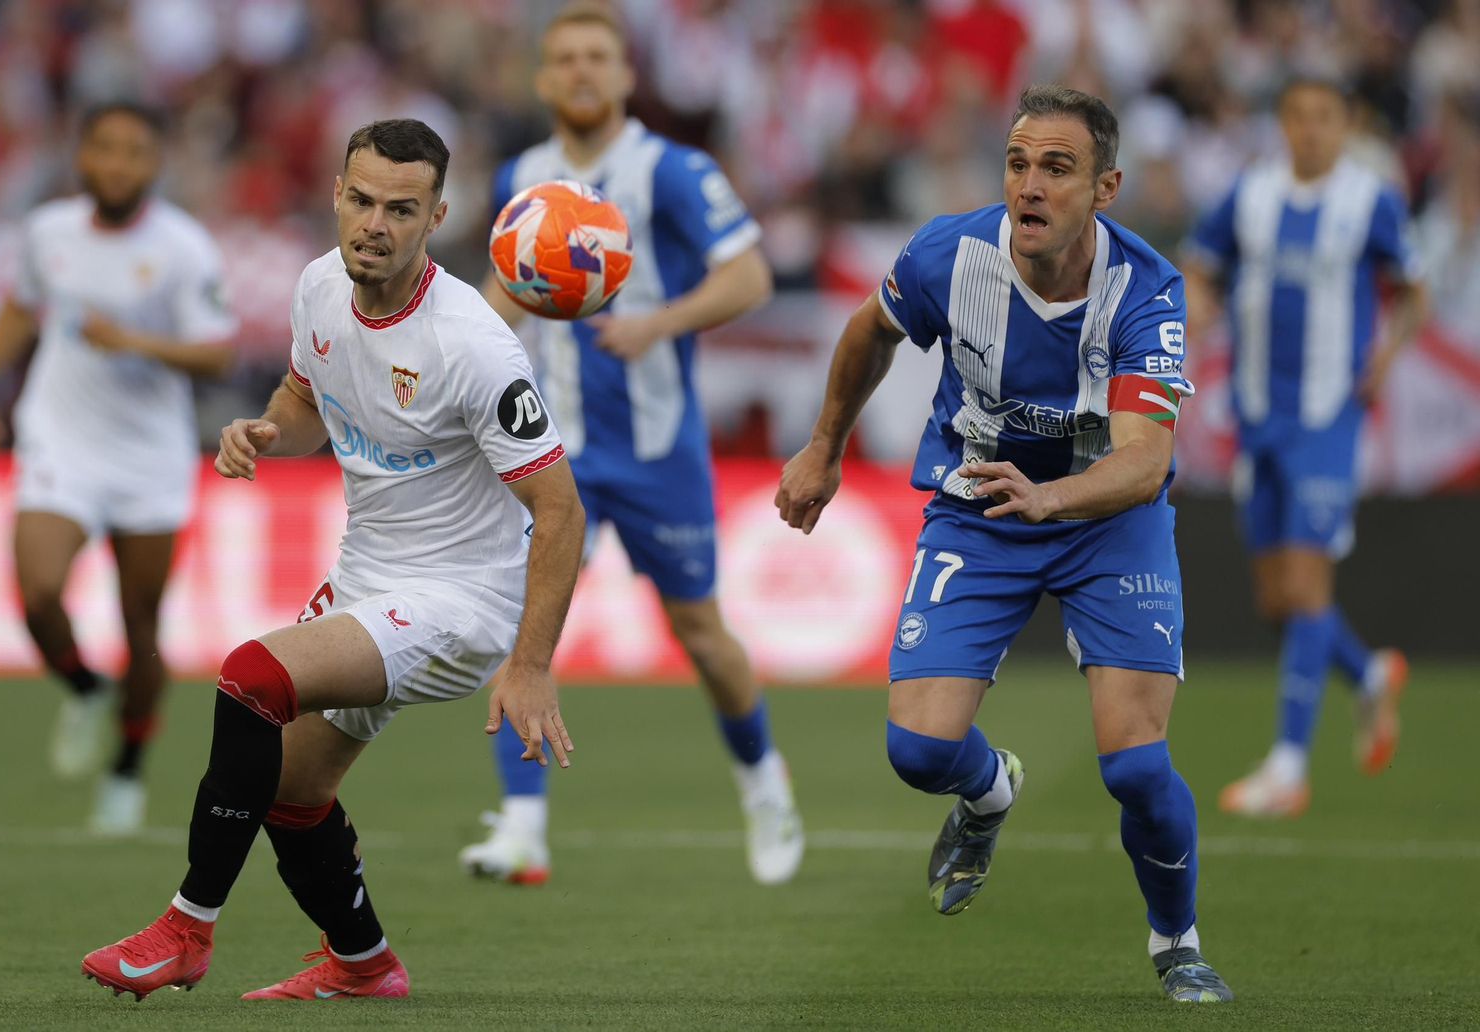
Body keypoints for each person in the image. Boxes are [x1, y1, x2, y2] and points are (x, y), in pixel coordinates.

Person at [80, 118, 584, 1001]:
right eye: (360, 200)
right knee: (291, 790)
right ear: (337, 195)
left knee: (249, 676)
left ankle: (186, 929)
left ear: (436, 217)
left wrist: (531, 662)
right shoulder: (318, 287)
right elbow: (307, 397)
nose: (373, 223)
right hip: (368, 578)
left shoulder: (472, 345)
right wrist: (269, 433)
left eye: (400, 208)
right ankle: (362, 964)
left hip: (460, 599)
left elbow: (561, 512)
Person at [777, 84, 1232, 1003]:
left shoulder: (1145, 290)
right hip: (981, 506)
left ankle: (1176, 940)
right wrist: (824, 447)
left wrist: (1055, 495)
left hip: (1107, 520)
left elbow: (1144, 462)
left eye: (1056, 169)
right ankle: (989, 791)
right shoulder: (949, 253)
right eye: (1018, 163)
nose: (1029, 185)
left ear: (1105, 188)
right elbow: (871, 331)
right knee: (917, 755)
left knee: (1138, 767)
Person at [462, 3, 802, 887]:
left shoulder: (673, 171)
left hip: (656, 449)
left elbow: (751, 274)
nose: (580, 71)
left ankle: (765, 783)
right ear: (543, 78)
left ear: (624, 75)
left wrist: (658, 324)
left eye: (596, 57)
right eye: (564, 57)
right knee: (522, 624)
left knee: (700, 630)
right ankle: (523, 824)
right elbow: (507, 289)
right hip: (549, 449)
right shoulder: (522, 174)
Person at [0, 102, 236, 835]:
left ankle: (126, 770)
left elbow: (218, 350)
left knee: (142, 627)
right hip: (60, 439)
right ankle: (83, 686)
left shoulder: (183, 247)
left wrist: (137, 342)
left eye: (134, 152)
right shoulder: (49, 231)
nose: (117, 164)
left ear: (155, 164)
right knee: (39, 591)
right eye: (104, 149)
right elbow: (22, 307)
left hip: (147, 455)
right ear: (82, 156)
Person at [1182, 77, 1425, 818]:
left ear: (1346, 124)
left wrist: (1384, 357)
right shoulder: (1250, 194)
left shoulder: (1369, 199)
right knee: (1277, 600)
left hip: (1327, 416)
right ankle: (1370, 673)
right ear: (1282, 123)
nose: (1312, 130)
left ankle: (1288, 768)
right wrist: (1199, 300)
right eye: (1299, 117)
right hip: (1258, 415)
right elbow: (1198, 262)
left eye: (1326, 117)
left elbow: (1412, 289)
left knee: (1307, 587)